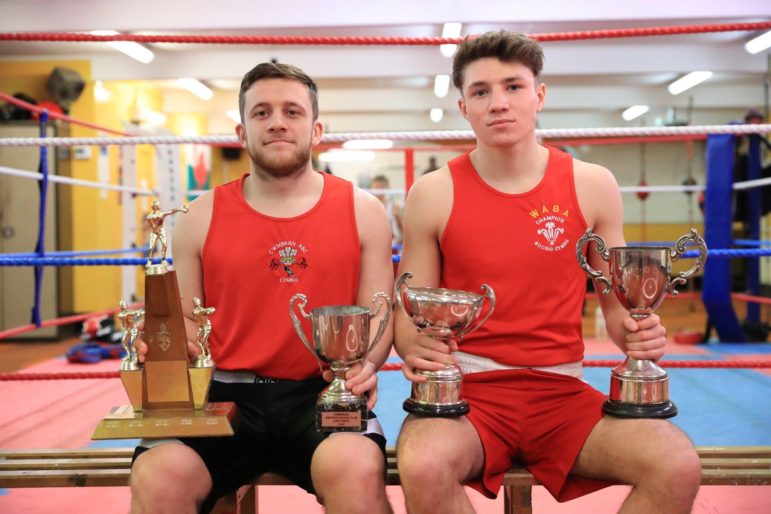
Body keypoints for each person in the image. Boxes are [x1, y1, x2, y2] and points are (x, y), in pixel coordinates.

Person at [395, 31, 701, 514]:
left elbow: (620, 312)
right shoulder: (432, 193)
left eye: (513, 86)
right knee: (423, 465)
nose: (498, 103)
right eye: (481, 91)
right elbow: (408, 316)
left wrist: (640, 333)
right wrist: (419, 348)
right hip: (469, 391)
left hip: (562, 392)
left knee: (676, 464)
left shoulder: (592, 185)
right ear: (463, 107)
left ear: (539, 95)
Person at [130, 62, 395, 514]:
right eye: (262, 113)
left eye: (292, 111)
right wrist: (163, 349)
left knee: (356, 469)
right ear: (241, 131)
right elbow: (190, 323)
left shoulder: (364, 210)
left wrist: (363, 368)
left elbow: (377, 316)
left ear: (316, 130)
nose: (277, 122)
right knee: (158, 475)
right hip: (223, 396)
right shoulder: (199, 216)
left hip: (321, 393)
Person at [145, 200, 188, 267]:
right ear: (153, 207)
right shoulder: (149, 216)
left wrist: (180, 209)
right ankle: (149, 261)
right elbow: (152, 225)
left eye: (157, 205)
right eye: (155, 206)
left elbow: (171, 211)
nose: (156, 207)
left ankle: (163, 260)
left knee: (164, 246)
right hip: (155, 232)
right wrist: (156, 228)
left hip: (161, 231)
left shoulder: (162, 213)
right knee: (151, 248)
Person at [370, 174, 404, 246]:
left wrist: (398, 217)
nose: (379, 190)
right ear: (372, 188)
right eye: (376, 187)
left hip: (393, 246)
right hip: (374, 245)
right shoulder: (367, 208)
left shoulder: (394, 207)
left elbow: (405, 231)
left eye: (381, 187)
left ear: (387, 188)